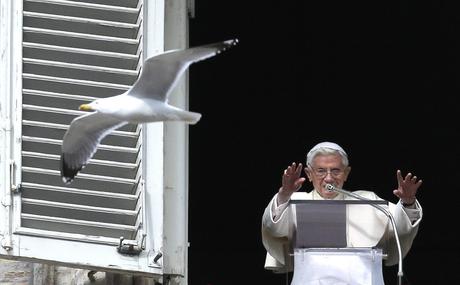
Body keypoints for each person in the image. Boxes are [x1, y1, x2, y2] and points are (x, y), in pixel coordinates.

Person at [261, 141, 423, 279]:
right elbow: (272, 229)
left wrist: (408, 203)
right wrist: (284, 194)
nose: (329, 178)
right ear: (309, 174)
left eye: (336, 170)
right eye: (321, 171)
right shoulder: (294, 202)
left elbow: (401, 230)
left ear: (346, 173)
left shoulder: (368, 201)